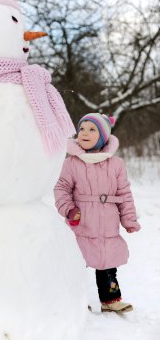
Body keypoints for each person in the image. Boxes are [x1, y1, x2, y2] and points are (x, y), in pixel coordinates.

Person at [54, 113, 141, 313]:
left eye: (92, 129)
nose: (84, 132)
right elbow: (61, 188)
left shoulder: (116, 164)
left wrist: (128, 219)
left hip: (108, 222)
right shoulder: (72, 163)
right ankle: (74, 299)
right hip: (82, 221)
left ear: (103, 136)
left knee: (107, 262)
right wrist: (68, 208)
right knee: (77, 262)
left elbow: (124, 193)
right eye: (82, 128)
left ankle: (110, 300)